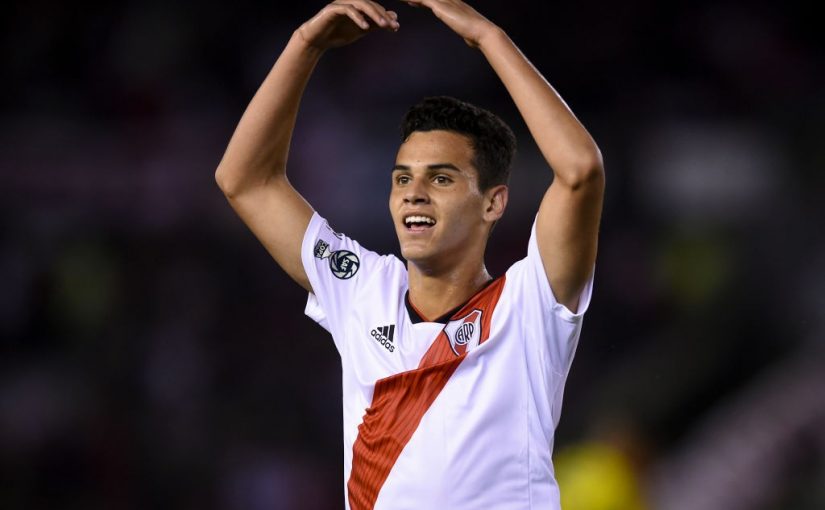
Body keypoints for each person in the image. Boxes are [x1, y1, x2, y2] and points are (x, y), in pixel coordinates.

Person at [215, 1, 604, 508]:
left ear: (493, 203)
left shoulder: (529, 304)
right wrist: (305, 45)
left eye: (440, 179)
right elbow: (245, 180)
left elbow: (580, 170)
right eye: (402, 179)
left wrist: (488, 37)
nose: (413, 195)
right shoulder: (363, 289)